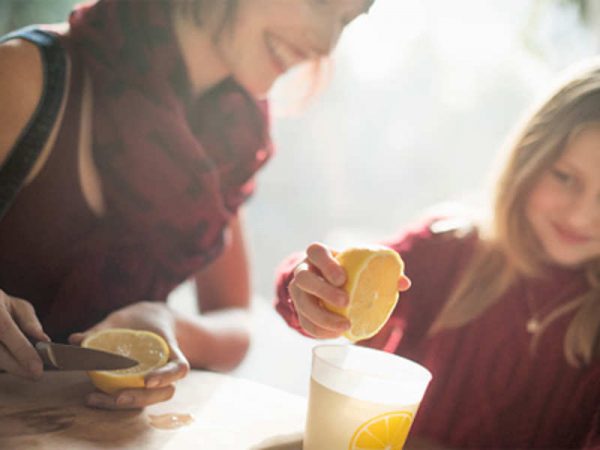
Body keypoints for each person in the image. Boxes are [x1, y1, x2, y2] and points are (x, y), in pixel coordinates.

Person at [0, 0, 375, 410]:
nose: (325, 43)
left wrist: (169, 325)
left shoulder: (230, 136)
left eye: (347, 20)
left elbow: (233, 317)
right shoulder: (25, 72)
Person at [275, 59, 600, 449]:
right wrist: (314, 287)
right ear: (528, 158)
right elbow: (331, 288)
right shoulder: (449, 249)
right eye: (564, 178)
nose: (581, 214)